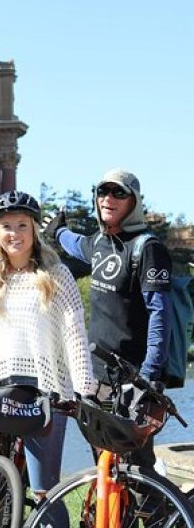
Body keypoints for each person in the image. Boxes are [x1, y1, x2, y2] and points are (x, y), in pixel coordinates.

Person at [0, 190, 97, 528]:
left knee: (46, 490)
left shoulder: (56, 275)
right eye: (6, 226)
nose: (14, 233)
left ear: (34, 230)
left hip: (44, 389)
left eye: (22, 226)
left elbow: (75, 333)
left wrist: (83, 387)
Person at [47, 168, 173, 470]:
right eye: (103, 191)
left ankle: (165, 517)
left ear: (134, 201)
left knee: (137, 470)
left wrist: (148, 377)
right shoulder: (98, 243)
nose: (109, 198)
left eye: (119, 193)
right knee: (104, 462)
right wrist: (57, 232)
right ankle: (108, 519)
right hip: (96, 376)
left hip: (134, 378)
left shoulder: (147, 248)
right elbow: (73, 243)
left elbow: (160, 315)